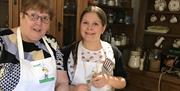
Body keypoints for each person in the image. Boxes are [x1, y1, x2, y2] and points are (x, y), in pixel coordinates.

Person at [0, 0, 69, 91]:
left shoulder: (52, 43)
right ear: (22, 16)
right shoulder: (3, 41)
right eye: (33, 16)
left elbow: (62, 82)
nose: (39, 23)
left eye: (45, 18)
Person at [61, 6, 127, 91]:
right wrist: (74, 89)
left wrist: (108, 79)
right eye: (85, 23)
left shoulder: (113, 52)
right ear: (80, 25)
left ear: (103, 28)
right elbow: (59, 84)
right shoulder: (66, 52)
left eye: (95, 24)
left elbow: (123, 82)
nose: (89, 28)